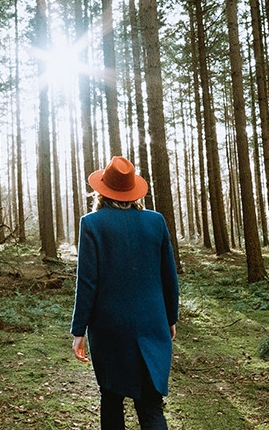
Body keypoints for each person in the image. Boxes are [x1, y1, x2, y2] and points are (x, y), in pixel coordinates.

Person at [70, 156, 180, 430]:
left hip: (109, 328)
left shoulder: (92, 224)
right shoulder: (156, 222)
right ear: (133, 191)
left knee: (111, 399)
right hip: (152, 324)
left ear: (102, 190)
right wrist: (170, 317)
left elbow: (87, 282)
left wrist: (78, 331)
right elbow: (169, 275)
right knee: (151, 406)